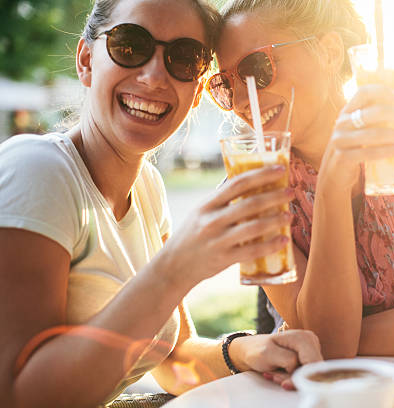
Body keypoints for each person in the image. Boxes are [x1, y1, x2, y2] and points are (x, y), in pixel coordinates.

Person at [0, 0, 322, 406]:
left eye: (184, 58)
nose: (154, 77)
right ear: (86, 60)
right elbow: (17, 395)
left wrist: (250, 351)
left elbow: (172, 360)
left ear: (197, 89)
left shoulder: (148, 187)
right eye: (130, 46)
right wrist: (176, 270)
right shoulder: (39, 170)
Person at [207, 0, 394, 359]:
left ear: (330, 51)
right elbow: (329, 346)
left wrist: (314, 339)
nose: (241, 99)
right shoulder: (253, 186)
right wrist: (332, 185)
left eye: (256, 68)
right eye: (225, 84)